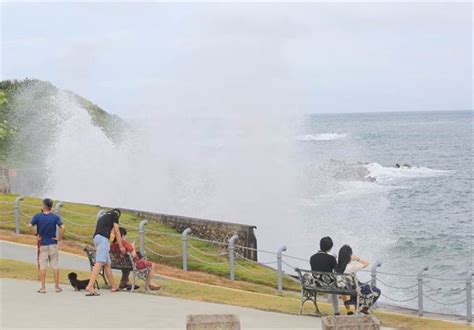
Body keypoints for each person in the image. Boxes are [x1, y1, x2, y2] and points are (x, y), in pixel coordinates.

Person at [28, 198, 65, 294]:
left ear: (44, 206)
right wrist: (59, 238)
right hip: (53, 244)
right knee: (55, 265)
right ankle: (57, 287)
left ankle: (43, 287)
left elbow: (29, 226)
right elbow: (63, 227)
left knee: (43, 266)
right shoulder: (55, 217)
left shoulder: (38, 216)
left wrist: (36, 235)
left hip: (43, 244)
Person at [85, 208, 125, 296]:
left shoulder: (103, 216)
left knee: (107, 264)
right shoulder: (115, 215)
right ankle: (90, 286)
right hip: (103, 239)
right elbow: (116, 231)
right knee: (99, 263)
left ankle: (114, 286)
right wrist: (121, 246)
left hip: (97, 238)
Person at [335, 245, 381, 315]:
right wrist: (357, 259)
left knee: (355, 288)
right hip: (356, 289)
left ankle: (354, 303)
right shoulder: (351, 266)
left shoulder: (336, 267)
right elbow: (366, 263)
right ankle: (364, 309)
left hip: (345, 289)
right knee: (377, 291)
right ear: (349, 255)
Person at [310, 236, 339, 315]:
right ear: (330, 248)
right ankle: (336, 311)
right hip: (328, 285)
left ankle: (316, 309)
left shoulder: (312, 257)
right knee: (335, 289)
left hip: (316, 284)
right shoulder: (331, 259)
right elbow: (337, 270)